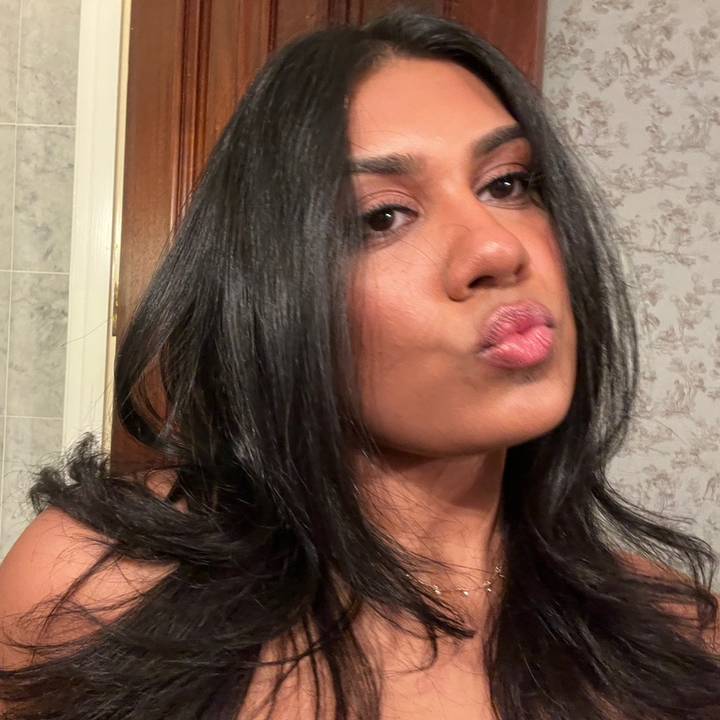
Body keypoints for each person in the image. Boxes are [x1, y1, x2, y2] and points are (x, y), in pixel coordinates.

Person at [0, 8, 718, 720]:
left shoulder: (685, 645)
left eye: (507, 184)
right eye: (383, 216)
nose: (498, 248)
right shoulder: (93, 592)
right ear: (272, 290)